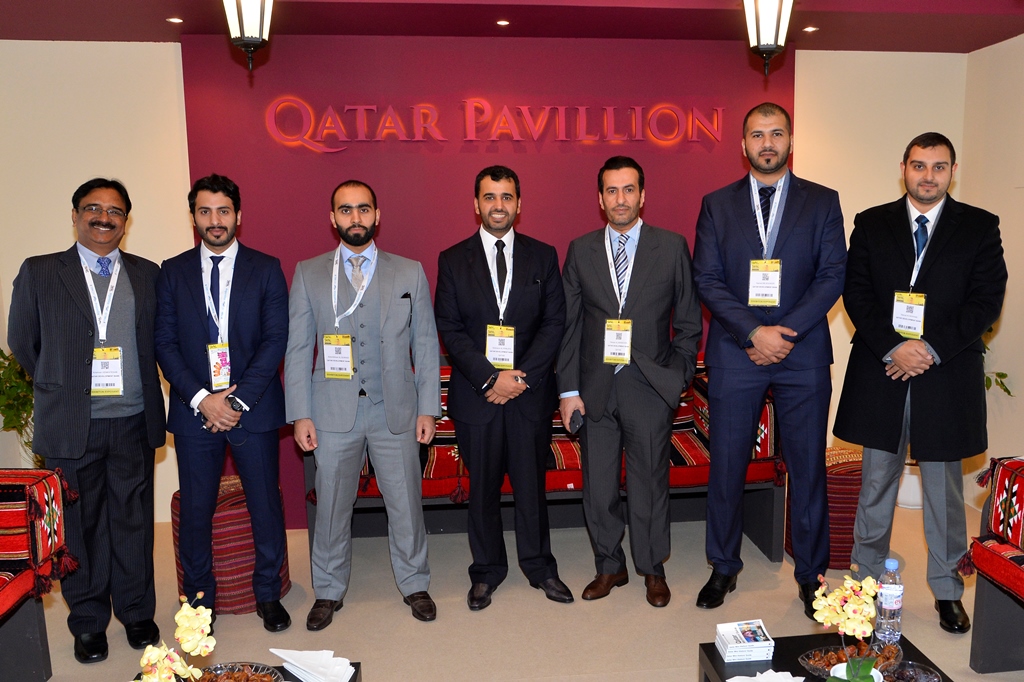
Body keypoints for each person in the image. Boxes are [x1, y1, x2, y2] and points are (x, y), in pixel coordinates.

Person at [834, 132, 1006, 634]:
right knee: (875, 487)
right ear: (903, 168)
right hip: (883, 371)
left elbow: (985, 301)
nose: (928, 176)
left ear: (953, 170)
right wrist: (896, 346)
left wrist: (927, 349)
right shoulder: (871, 223)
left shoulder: (979, 226)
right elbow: (856, 293)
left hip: (945, 375)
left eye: (938, 166)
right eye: (918, 165)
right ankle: (862, 586)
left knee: (943, 494)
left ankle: (949, 591)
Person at [692, 102, 846, 617]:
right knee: (728, 465)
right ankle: (723, 566)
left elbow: (832, 276)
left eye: (776, 133)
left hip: (801, 355)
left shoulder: (823, 202)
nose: (767, 143)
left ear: (790, 141)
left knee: (807, 468)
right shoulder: (716, 204)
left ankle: (811, 574)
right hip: (737, 352)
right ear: (743, 145)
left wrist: (787, 332)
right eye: (757, 134)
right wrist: (754, 331)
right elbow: (707, 279)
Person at [8, 178, 166, 663]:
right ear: (75, 215)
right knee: (79, 527)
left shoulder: (147, 273)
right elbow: (24, 343)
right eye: (93, 208)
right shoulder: (40, 272)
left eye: (115, 211)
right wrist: (65, 389)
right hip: (72, 424)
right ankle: (89, 622)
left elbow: (157, 340)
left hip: (133, 420)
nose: (104, 218)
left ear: (126, 221)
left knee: (133, 521)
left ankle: (138, 612)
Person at [285, 180, 441, 629]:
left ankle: (415, 582)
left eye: (364, 209)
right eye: (346, 210)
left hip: (396, 411)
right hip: (332, 412)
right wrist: (300, 414)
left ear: (377, 215)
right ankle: (328, 590)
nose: (356, 217)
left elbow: (425, 344)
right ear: (333, 218)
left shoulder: (408, 271)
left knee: (406, 503)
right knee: (332, 505)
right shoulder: (309, 273)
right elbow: (298, 350)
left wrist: (427, 408)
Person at [557, 156, 701, 607]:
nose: (621, 199)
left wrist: (677, 376)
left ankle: (652, 568)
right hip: (595, 386)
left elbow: (690, 321)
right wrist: (567, 391)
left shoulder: (672, 245)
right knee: (598, 486)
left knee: (649, 483)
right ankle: (609, 565)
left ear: (643, 194)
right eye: (612, 191)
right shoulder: (581, 249)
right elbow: (569, 325)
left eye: (629, 189)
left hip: (649, 384)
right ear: (600, 199)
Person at [154, 174, 291, 632]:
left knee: (264, 505)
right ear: (193, 216)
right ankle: (198, 605)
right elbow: (165, 344)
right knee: (196, 510)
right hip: (196, 412)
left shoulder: (266, 267)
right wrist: (202, 400)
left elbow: (275, 340)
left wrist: (238, 401)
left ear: (239, 216)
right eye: (205, 212)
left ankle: (268, 594)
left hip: (253, 407)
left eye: (224, 211)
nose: (215, 221)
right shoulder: (171, 271)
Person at [434, 165, 572, 611]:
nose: (498, 205)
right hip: (479, 396)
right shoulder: (452, 259)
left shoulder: (543, 255)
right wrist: (492, 378)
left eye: (507, 197)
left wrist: (519, 378)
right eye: (490, 197)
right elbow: (449, 328)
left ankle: (540, 567)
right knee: (483, 491)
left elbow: (554, 324)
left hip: (528, 395)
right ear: (476, 204)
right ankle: (487, 572)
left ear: (519, 204)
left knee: (532, 487)